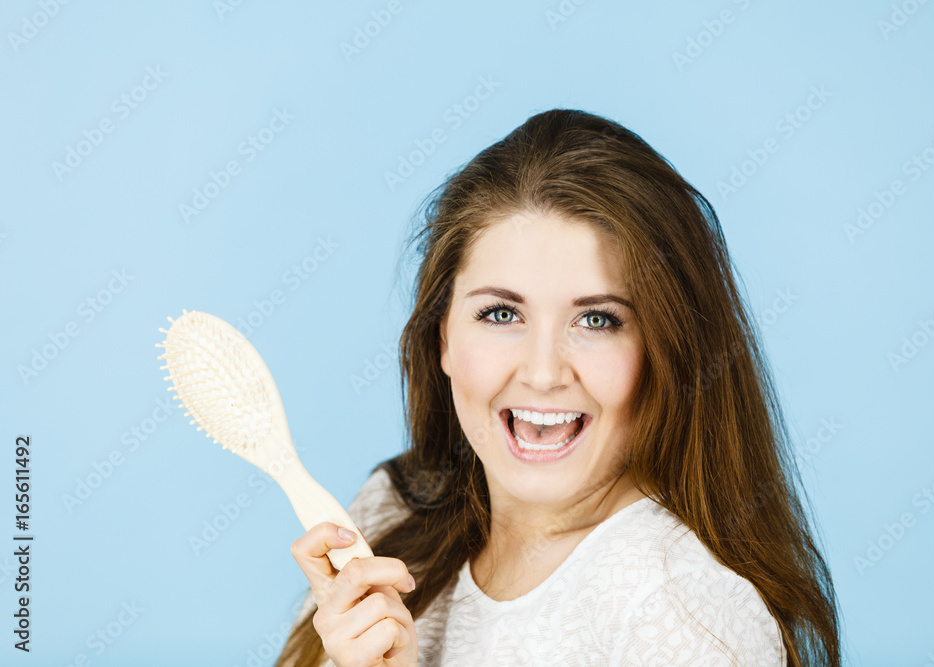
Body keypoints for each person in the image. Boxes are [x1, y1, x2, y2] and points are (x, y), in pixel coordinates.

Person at [275, 108, 841, 666]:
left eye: (596, 320)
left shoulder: (687, 615)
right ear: (442, 337)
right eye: (500, 314)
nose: (543, 373)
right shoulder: (389, 516)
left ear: (667, 350)